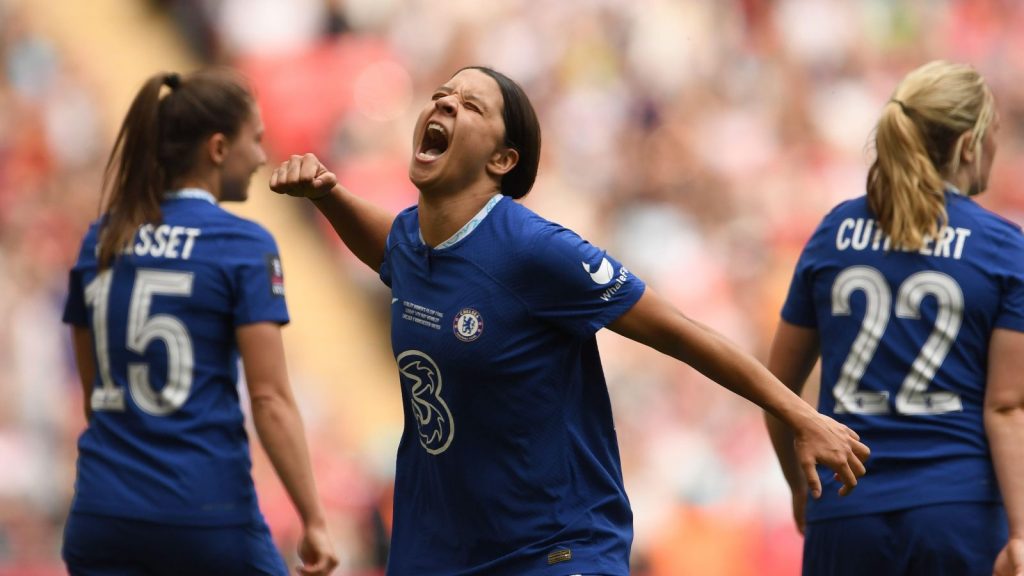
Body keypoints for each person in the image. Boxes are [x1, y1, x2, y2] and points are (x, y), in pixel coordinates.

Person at [270, 65, 869, 576]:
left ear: (503, 159)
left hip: (553, 549)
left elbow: (683, 332)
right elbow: (390, 251)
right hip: (439, 552)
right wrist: (328, 196)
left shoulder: (534, 251)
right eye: (441, 97)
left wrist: (800, 415)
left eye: (469, 105)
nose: (445, 103)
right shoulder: (413, 241)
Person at [61, 69, 338, 576]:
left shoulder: (99, 238)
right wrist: (314, 518)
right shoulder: (242, 244)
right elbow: (270, 399)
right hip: (204, 514)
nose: (260, 157)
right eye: (254, 140)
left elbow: (93, 392)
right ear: (217, 148)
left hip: (101, 514)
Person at [765, 60, 1024, 576]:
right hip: (957, 513)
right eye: (995, 133)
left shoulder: (834, 232)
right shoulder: (1002, 247)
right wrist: (1020, 532)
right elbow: (1006, 408)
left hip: (845, 511)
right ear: (969, 145)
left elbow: (778, 388)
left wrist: (800, 487)